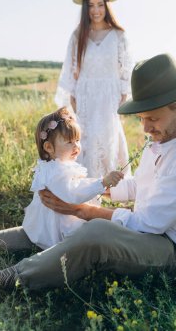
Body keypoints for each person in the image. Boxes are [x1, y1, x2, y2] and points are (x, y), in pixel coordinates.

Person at [0, 53, 176, 291]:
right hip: (150, 228)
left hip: (173, 249)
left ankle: (8, 280)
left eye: (153, 119)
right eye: (142, 119)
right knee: (53, 220)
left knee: (96, 231)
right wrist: (86, 194)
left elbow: (149, 223)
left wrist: (82, 209)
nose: (146, 128)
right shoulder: (169, 134)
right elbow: (141, 186)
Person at [55, 0, 133, 178]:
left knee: (108, 136)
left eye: (100, 4)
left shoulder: (118, 35)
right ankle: (86, 182)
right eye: (90, 5)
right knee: (86, 137)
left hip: (109, 94)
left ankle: (110, 183)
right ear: (85, 8)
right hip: (85, 93)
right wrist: (72, 95)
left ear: (106, 6)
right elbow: (72, 67)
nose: (96, 10)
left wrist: (124, 93)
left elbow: (126, 68)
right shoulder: (78, 35)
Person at [22, 107, 123, 250]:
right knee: (88, 232)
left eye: (77, 140)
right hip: (57, 227)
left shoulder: (52, 167)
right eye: (69, 142)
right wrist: (102, 182)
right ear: (49, 147)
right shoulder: (58, 172)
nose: (76, 146)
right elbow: (73, 194)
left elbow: (76, 185)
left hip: (53, 219)